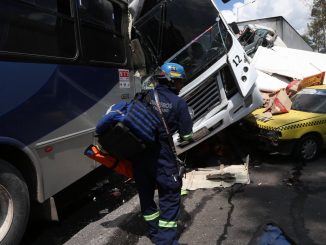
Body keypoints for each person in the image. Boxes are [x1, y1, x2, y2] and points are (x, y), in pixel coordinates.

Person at [132, 63, 193, 245]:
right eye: (180, 81)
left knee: (146, 195)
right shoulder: (179, 103)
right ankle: (165, 241)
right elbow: (186, 135)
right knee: (170, 195)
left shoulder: (144, 96)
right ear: (172, 81)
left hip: (139, 156)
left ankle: (154, 231)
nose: (181, 85)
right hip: (162, 157)